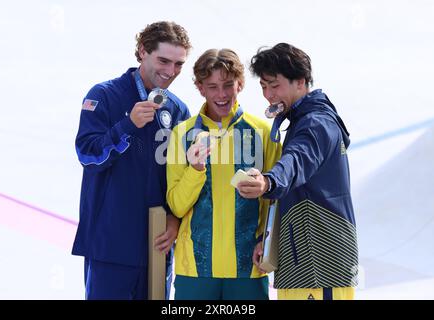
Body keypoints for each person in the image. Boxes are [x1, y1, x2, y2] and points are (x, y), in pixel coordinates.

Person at [72, 21, 192, 300]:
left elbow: (183, 177)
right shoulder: (104, 95)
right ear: (142, 52)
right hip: (111, 242)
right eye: (163, 60)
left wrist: (175, 219)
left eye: (178, 64)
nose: (170, 71)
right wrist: (127, 126)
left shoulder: (177, 109)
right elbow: (87, 154)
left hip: (157, 245)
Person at [238, 43, 359, 300]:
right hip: (301, 261)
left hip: (322, 265)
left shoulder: (316, 124)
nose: (269, 94)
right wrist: (269, 239)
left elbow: (295, 161)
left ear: (300, 82)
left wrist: (268, 182)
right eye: (263, 87)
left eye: (275, 85)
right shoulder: (301, 121)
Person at [166, 49, 281, 300]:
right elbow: (176, 204)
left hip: (249, 269)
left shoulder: (262, 132)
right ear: (200, 87)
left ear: (240, 84)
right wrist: (195, 170)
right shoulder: (181, 134)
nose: (221, 94)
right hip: (194, 271)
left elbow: (276, 198)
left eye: (228, 85)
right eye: (212, 86)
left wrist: (267, 241)